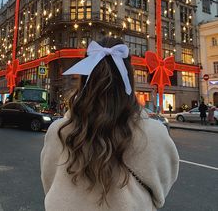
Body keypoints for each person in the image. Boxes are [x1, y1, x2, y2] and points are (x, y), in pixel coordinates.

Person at [41, 37, 179, 211]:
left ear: (84, 78)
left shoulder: (59, 131)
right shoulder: (154, 133)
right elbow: (161, 190)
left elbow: (49, 183)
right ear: (129, 76)